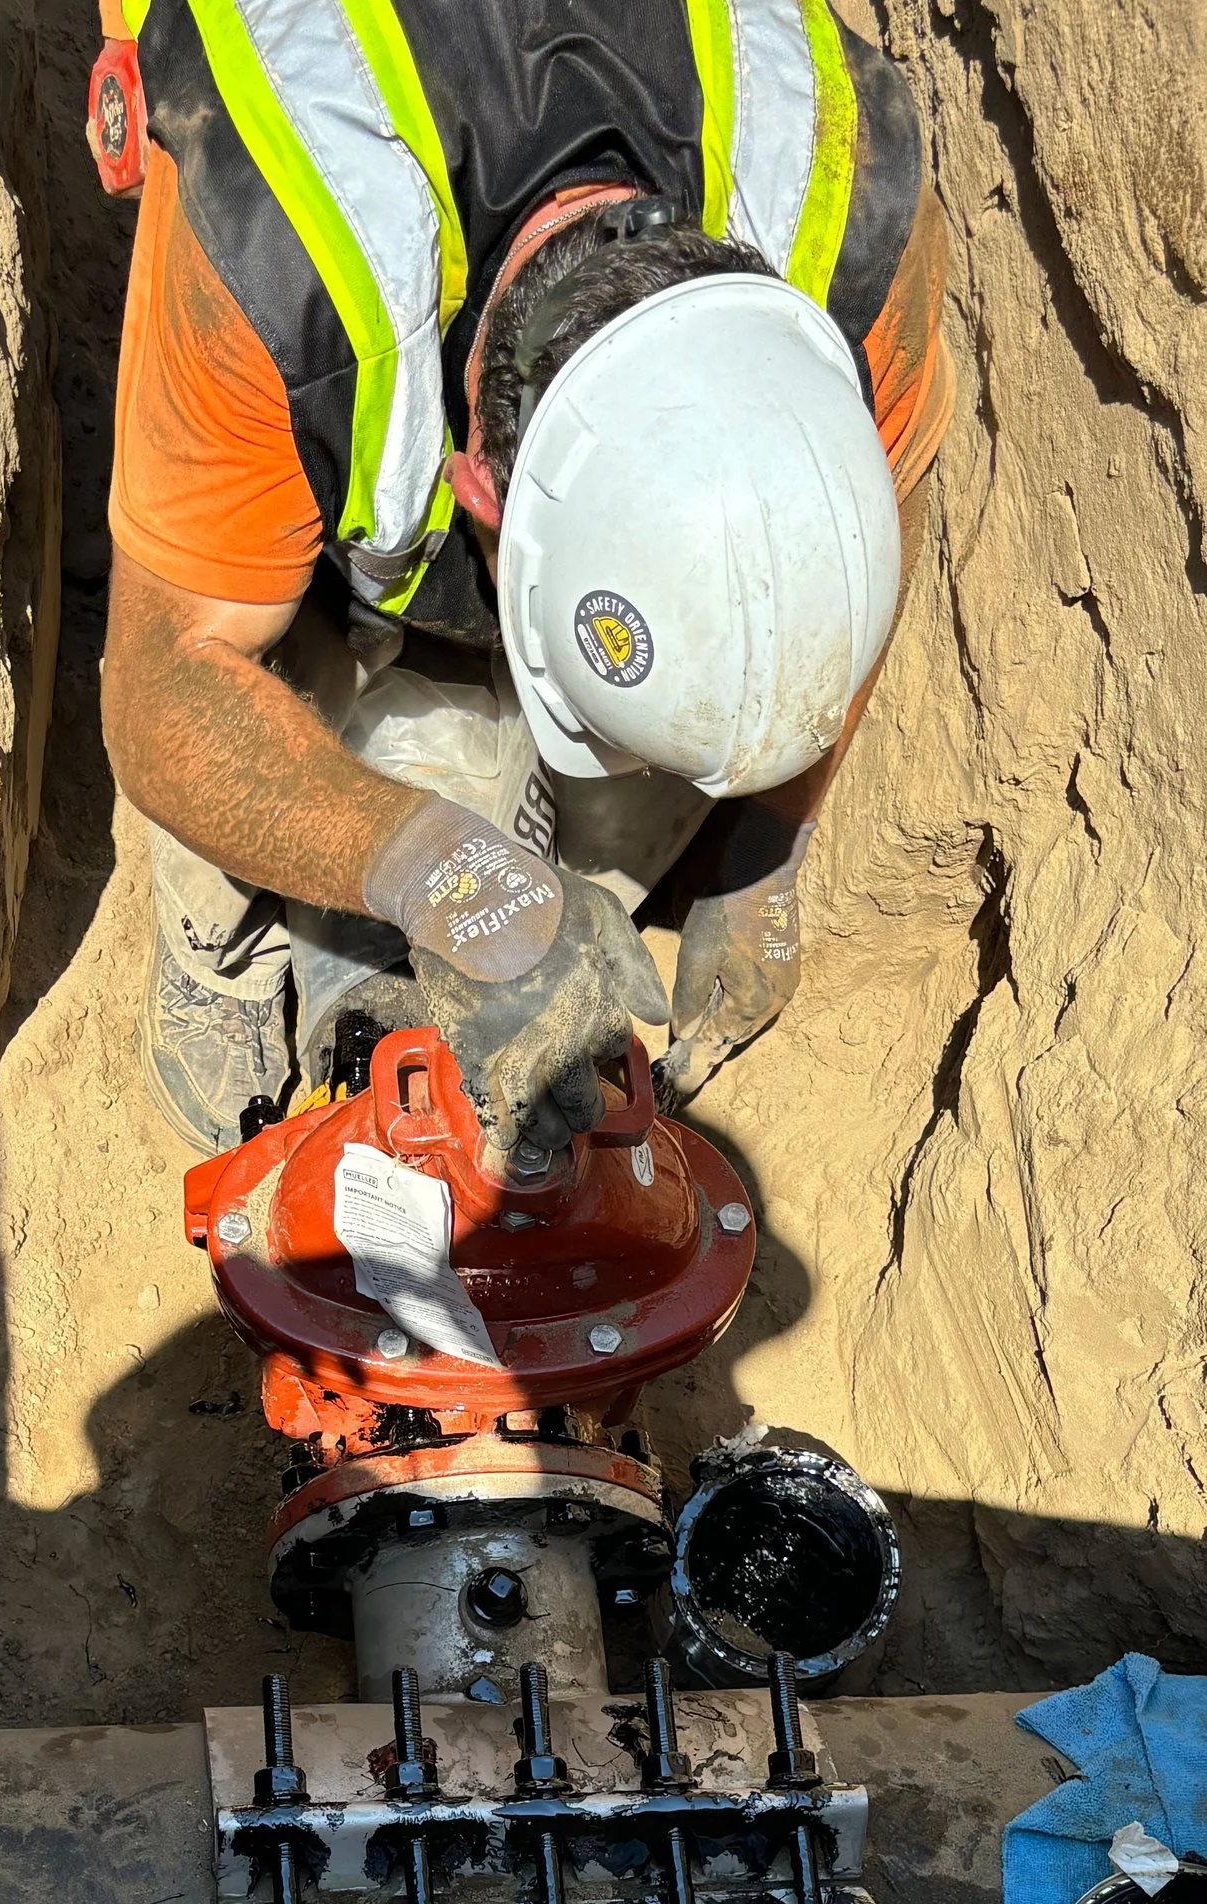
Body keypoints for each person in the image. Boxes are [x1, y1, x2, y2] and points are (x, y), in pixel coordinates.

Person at [92, 0, 953, 1169]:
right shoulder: (273, 253)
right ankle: (222, 947)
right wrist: (443, 876)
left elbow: (868, 527)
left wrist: (766, 856)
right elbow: (164, 682)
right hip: (289, 111)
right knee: (244, 598)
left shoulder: (854, 227)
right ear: (475, 493)